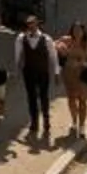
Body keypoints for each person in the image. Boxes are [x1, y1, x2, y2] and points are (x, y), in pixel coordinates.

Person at [15, 14, 59, 145]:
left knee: (44, 97)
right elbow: (17, 55)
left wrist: (56, 72)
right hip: (28, 72)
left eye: (33, 24)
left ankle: (46, 121)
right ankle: (34, 122)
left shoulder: (46, 39)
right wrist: (16, 70)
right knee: (31, 97)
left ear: (37, 24)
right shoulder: (21, 38)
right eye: (29, 25)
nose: (31, 27)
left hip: (42, 72)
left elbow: (53, 55)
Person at [59, 21, 87, 143]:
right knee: (71, 100)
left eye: (79, 30)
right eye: (75, 30)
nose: (77, 33)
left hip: (83, 77)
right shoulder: (67, 41)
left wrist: (85, 63)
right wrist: (60, 49)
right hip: (69, 76)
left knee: (82, 102)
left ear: (83, 31)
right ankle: (74, 121)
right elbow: (53, 45)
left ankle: (82, 126)